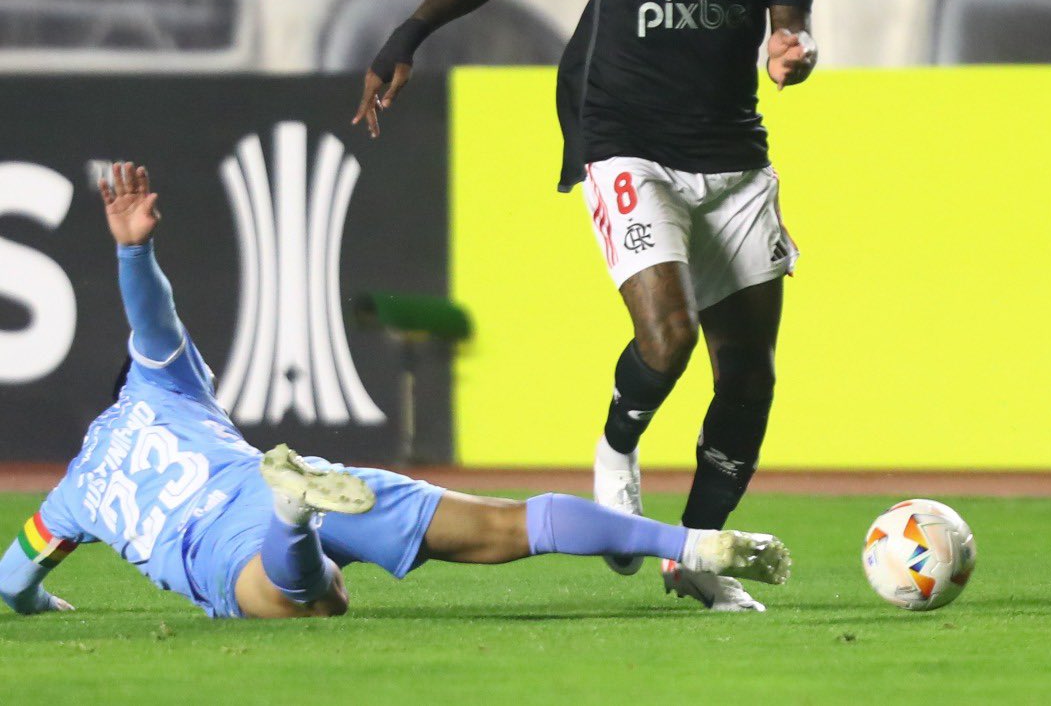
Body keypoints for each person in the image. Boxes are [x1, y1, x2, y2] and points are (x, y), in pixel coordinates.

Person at [352, 0, 816, 612]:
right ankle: (617, 446)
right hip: (624, 137)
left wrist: (792, 52)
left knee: (749, 377)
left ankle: (697, 557)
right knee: (667, 339)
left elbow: (789, 20)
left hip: (733, 153)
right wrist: (410, 32)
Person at [0, 163, 790, 620]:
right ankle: (688, 547)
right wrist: (134, 254)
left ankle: (295, 515)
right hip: (267, 476)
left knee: (305, 602)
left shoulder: (73, 495)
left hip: (223, 547)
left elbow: (12, 579)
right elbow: (152, 316)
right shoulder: (158, 381)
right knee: (509, 528)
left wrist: (39, 605)